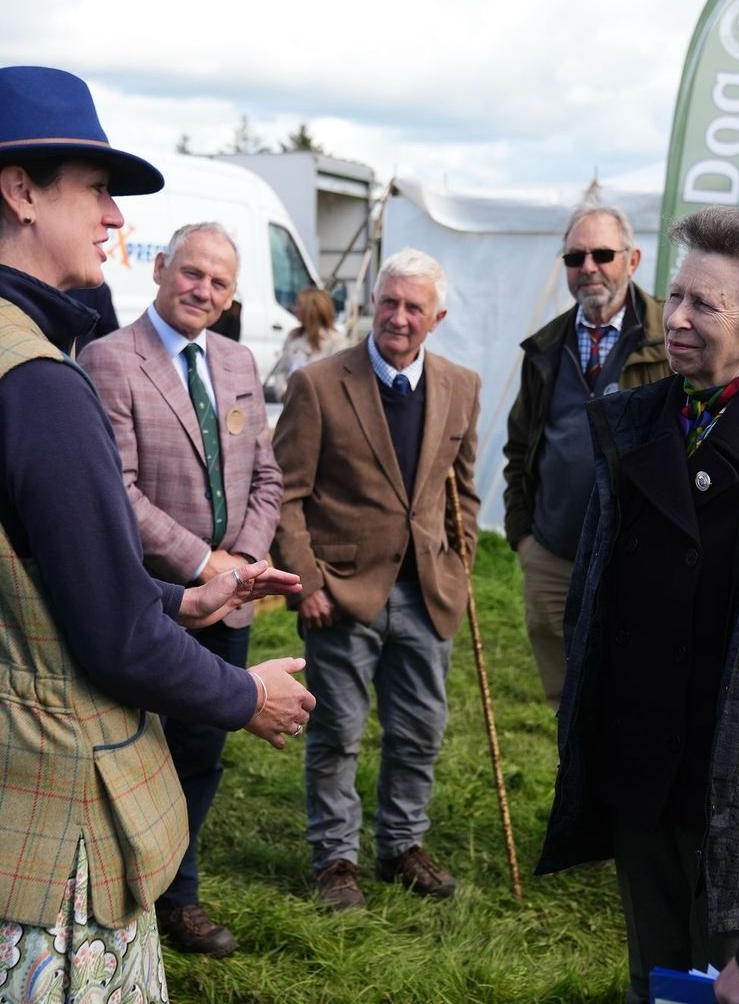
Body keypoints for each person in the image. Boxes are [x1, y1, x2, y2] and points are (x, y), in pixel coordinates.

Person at [0, 65, 314, 1000]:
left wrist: (193, 594)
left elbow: (52, 580)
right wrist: (243, 692)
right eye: (95, 190)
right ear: (20, 190)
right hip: (52, 831)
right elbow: (110, 635)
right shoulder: (45, 383)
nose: (112, 220)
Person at [537, 206, 739, 1004]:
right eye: (678, 294)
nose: (677, 318)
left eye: (705, 304)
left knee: (732, 981)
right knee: (656, 980)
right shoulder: (632, 425)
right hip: (639, 778)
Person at [79, 221, 282, 958]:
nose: (202, 290)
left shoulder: (237, 360)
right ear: (161, 269)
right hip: (148, 595)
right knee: (130, 745)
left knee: (203, 746)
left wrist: (247, 562)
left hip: (233, 593)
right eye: (191, 273)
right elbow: (119, 494)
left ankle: (178, 894)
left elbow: (266, 476)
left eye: (219, 282)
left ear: (232, 295)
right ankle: (119, 890)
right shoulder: (108, 360)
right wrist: (207, 564)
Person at [272, 248, 480, 910]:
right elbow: (285, 493)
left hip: (426, 590)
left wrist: (459, 559)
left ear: (435, 317)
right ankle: (335, 858)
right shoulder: (320, 382)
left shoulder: (460, 386)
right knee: (336, 730)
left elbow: (464, 490)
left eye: (412, 307)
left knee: (419, 726)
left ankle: (401, 844)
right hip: (341, 592)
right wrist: (306, 581)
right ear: (373, 303)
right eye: (388, 302)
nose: (396, 316)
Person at [503, 205, 670, 707]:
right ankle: (574, 781)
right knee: (566, 698)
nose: (589, 267)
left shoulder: (672, 339)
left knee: (634, 691)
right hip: (553, 554)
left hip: (639, 557)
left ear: (633, 259)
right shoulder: (547, 347)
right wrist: (523, 537)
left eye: (602, 254)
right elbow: (519, 445)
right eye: (576, 257)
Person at [267, 286, 348, 400]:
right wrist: (284, 393)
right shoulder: (293, 336)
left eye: (298, 304)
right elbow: (281, 370)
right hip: (294, 405)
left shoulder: (336, 341)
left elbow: (339, 379)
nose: (294, 308)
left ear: (311, 308)